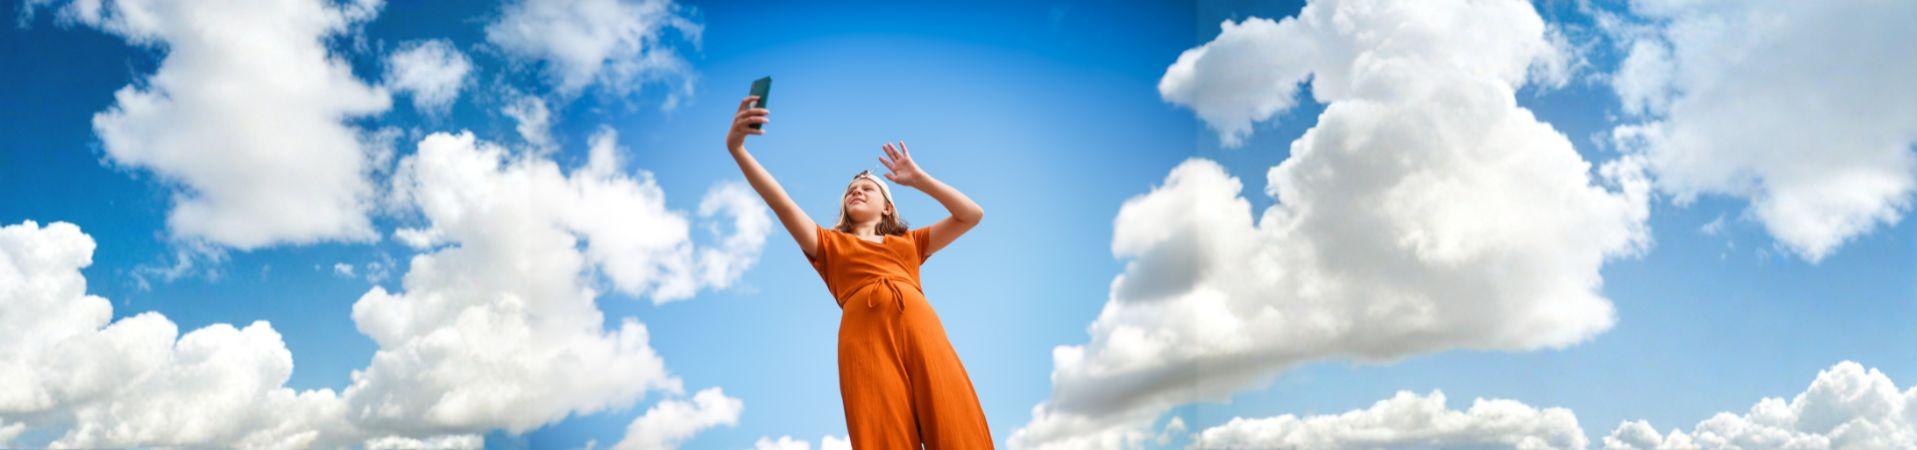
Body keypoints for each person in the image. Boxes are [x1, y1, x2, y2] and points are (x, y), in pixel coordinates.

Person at [725, 95, 994, 448]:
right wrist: (738, 150)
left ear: (888, 208)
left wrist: (919, 179)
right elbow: (781, 201)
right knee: (881, 428)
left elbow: (971, 215)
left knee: (952, 414)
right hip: (864, 340)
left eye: (868, 188)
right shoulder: (828, 245)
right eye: (851, 190)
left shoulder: (910, 243)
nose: (856, 191)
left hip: (921, 328)